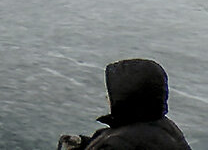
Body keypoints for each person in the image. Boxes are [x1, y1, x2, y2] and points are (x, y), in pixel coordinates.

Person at [57, 59, 190, 149]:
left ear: (128, 98)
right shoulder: (164, 127)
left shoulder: (118, 145)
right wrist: (83, 144)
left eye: (113, 93)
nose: (107, 97)